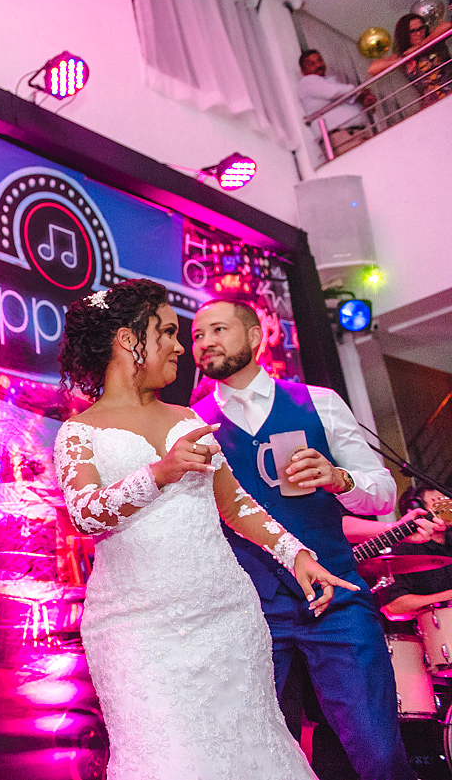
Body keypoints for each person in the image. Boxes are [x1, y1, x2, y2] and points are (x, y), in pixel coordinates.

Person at [52, 279, 356, 779]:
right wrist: (159, 473)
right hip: (138, 630)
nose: (179, 346)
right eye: (168, 332)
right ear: (130, 339)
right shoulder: (79, 432)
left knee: (253, 750)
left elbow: (235, 505)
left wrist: (296, 554)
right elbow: (85, 515)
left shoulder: (186, 416)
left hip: (228, 616)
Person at [191, 297, 420, 780]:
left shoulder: (318, 401)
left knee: (378, 753)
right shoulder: (194, 422)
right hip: (250, 613)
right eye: (196, 335)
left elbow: (381, 493)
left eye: (217, 330)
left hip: (336, 599)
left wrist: (340, 479)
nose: (205, 342)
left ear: (255, 337)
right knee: (263, 759)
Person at [376, 483, 452, 621]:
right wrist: (446, 597)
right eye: (439, 502)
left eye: (447, 500)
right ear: (417, 511)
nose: (448, 507)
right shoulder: (403, 552)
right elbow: (394, 607)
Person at [297, 49, 377, 157]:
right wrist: (357, 90)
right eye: (312, 64)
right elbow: (333, 92)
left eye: (320, 60)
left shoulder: (328, 82)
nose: (318, 65)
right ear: (303, 71)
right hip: (340, 137)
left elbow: (345, 96)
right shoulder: (307, 82)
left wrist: (363, 98)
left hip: (356, 133)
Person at [369, 14, 452, 107]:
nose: (419, 33)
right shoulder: (404, 54)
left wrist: (421, 46)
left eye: (421, 28)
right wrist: (405, 59)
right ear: (405, 34)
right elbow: (373, 68)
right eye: (413, 31)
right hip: (431, 104)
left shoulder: (433, 40)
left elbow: (447, 25)